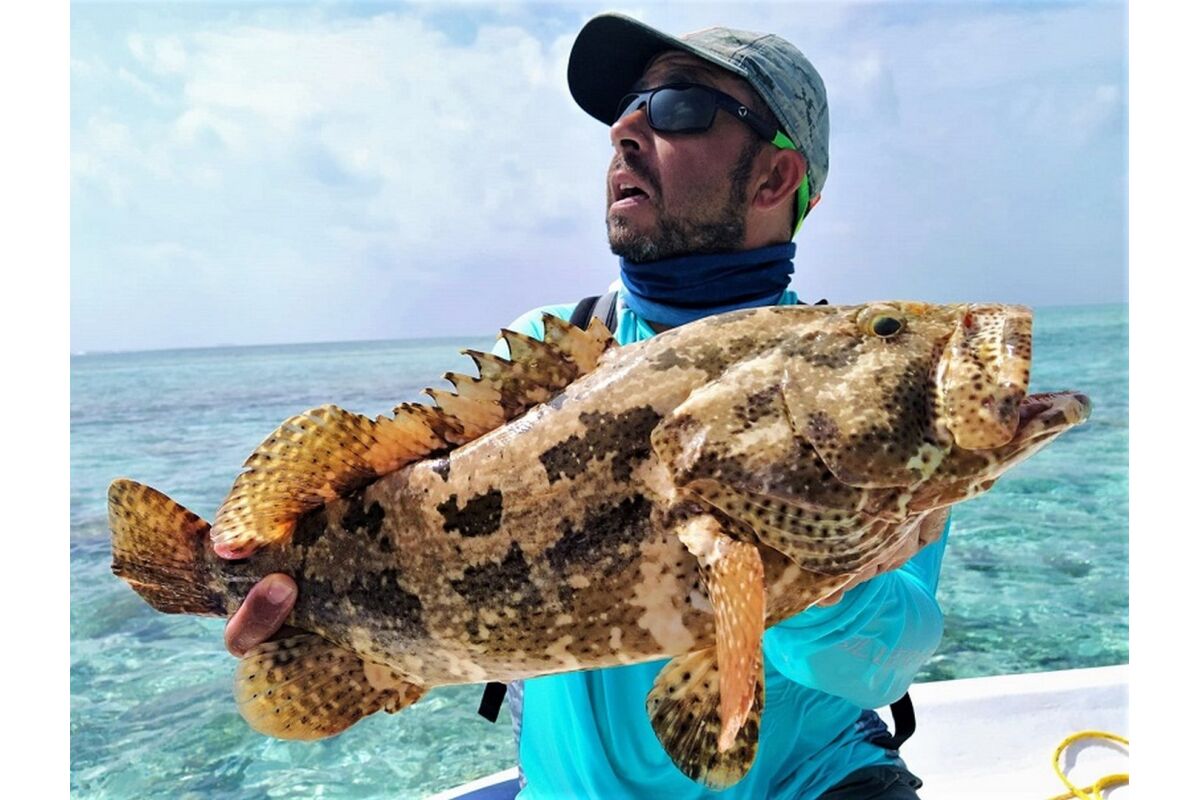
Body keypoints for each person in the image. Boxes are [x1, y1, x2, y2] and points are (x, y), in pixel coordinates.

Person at [225, 13, 950, 800]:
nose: (626, 130)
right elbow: (404, 533)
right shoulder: (553, 347)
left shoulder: (848, 380)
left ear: (775, 178)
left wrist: (805, 566)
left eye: (677, 107)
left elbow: (882, 663)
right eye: (627, 108)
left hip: (811, 782)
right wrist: (282, 604)